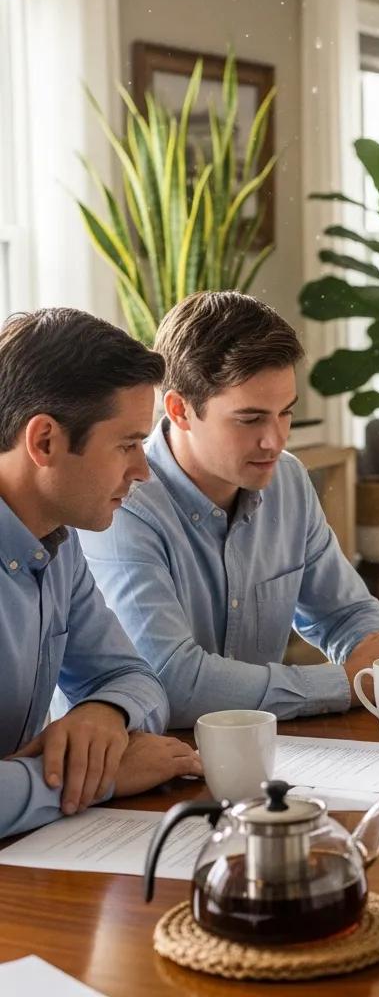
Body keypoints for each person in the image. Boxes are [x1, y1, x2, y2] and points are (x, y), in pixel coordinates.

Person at [81, 291, 379, 729]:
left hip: (263, 753)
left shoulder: (288, 480)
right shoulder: (121, 502)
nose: (275, 440)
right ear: (179, 409)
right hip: (145, 759)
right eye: (250, 419)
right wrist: (343, 683)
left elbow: (343, 613)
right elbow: (171, 681)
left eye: (285, 414)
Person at [0, 308, 201, 838]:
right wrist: (102, 775)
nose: (143, 470)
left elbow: (133, 678)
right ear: (44, 441)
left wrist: (106, 713)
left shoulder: (56, 542)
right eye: (128, 444)